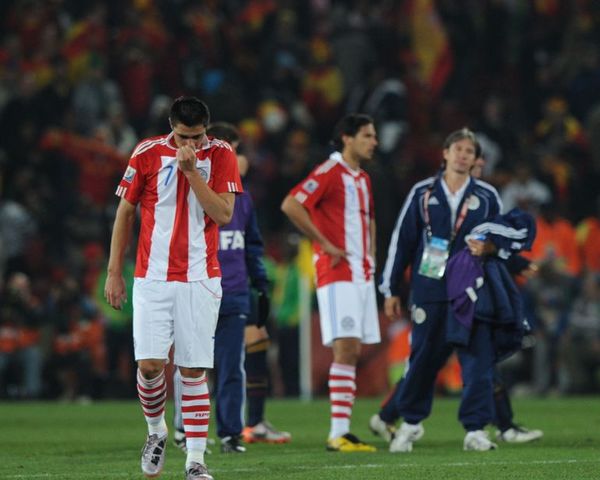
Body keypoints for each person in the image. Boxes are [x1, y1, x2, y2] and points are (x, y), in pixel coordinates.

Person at [104, 96, 242, 480]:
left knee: (193, 369)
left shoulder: (221, 154)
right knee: (149, 367)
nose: (191, 145)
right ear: (171, 127)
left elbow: (224, 214)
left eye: (198, 137)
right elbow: (125, 212)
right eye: (184, 137)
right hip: (153, 277)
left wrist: (193, 172)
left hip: (200, 277)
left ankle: (195, 461)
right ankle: (155, 432)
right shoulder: (146, 153)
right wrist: (114, 271)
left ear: (207, 131)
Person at [371, 128, 506, 452]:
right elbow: (401, 241)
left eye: (469, 152)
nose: (463, 155)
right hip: (430, 286)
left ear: (476, 160)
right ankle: (411, 423)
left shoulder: (487, 196)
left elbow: (502, 240)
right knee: (423, 359)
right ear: (444, 153)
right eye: (457, 149)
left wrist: (490, 248)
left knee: (477, 359)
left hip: (471, 290)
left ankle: (475, 429)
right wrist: (389, 288)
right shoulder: (422, 193)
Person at [172, 122, 290, 455]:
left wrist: (261, 286)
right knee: (191, 364)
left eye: (238, 152)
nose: (237, 159)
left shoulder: (244, 200)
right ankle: (183, 430)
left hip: (234, 293)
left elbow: (251, 245)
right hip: (196, 290)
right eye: (231, 151)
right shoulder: (188, 191)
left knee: (231, 365)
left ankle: (229, 433)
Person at [281, 113, 380, 452]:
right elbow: (292, 204)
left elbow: (369, 223)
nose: (374, 141)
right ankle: (338, 432)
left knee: (353, 352)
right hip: (337, 273)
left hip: (361, 273)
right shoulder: (329, 171)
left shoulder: (363, 178)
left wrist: (372, 259)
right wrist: (322, 242)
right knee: (346, 349)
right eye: (367, 135)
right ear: (347, 138)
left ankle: (343, 431)